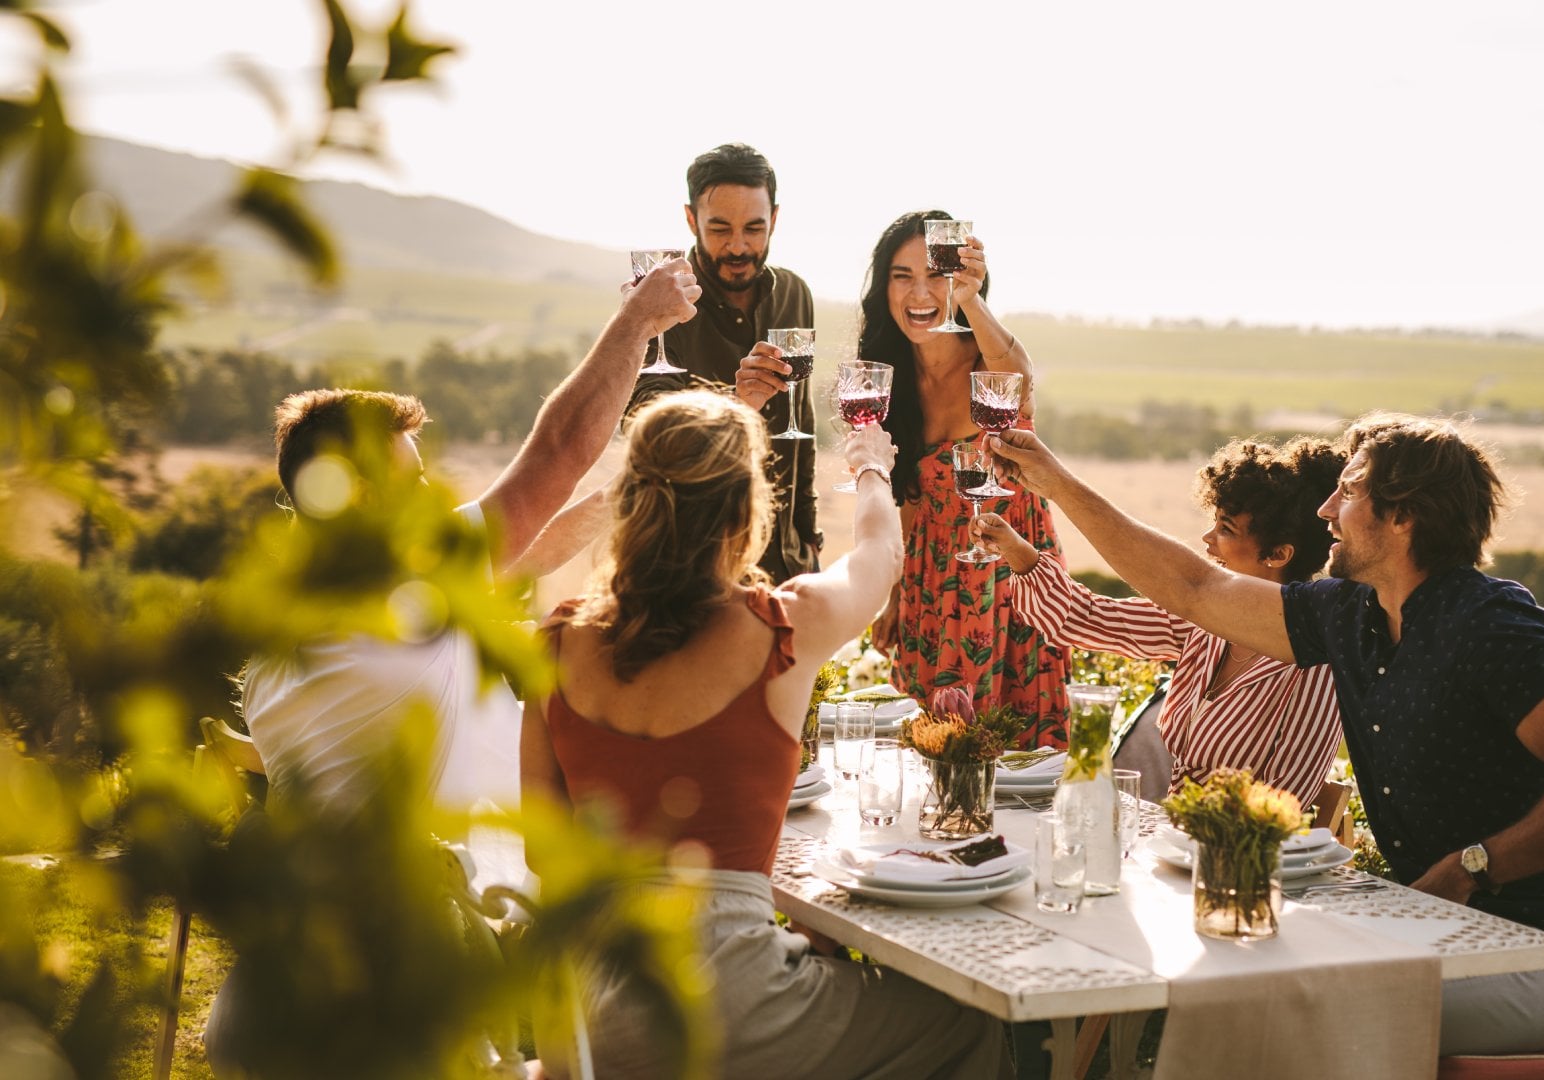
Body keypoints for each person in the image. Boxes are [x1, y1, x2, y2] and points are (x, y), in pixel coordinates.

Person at [986, 413, 1544, 1057]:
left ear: (1403, 515)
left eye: (1351, 491)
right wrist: (1055, 482)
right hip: (1426, 936)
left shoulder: (1490, 624)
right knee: (1237, 985)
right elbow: (1194, 588)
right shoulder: (1351, 617)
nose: (1325, 510)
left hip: (1538, 958)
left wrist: (1469, 868)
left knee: (1282, 1006)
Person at [519, 390, 1012, 1079]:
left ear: (628, 504)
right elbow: (879, 552)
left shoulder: (557, 644)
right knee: (965, 1026)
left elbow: (544, 858)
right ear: (747, 509)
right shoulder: (784, 626)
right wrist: (872, 464)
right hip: (723, 1009)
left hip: (586, 1019)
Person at [241, 258, 700, 813]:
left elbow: (531, 552)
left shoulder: (286, 623)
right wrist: (637, 323)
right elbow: (561, 449)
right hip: (465, 890)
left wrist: (652, 476)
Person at [973, 436, 1346, 802]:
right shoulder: (1203, 624)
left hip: (1237, 851)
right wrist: (1017, 551)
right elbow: (1086, 618)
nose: (1207, 537)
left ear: (1278, 554)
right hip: (1172, 841)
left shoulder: (1314, 666)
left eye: (1226, 529)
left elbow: (1283, 800)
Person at [856, 209, 1068, 745]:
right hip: (933, 579)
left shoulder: (989, 360)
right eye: (902, 276)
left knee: (1018, 753)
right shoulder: (886, 375)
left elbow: (1018, 375)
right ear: (883, 288)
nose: (918, 293)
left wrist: (971, 299)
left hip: (1011, 571)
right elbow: (907, 495)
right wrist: (895, 593)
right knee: (937, 746)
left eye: (936, 276)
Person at [637, 142, 820, 583]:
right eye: (719, 228)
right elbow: (645, 435)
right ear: (690, 219)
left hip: (784, 560)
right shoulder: (659, 303)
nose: (738, 247)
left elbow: (802, 426)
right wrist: (734, 405)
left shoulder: (796, 294)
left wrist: (809, 541)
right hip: (692, 565)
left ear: (774, 219)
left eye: (754, 228)